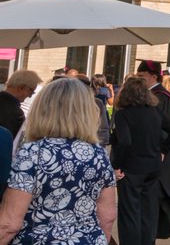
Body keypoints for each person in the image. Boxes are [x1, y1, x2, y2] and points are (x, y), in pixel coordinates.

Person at [0, 77, 117, 244]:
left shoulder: (33, 153)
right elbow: (107, 217)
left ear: (42, 110)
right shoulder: (99, 154)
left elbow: (9, 223)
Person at [111, 76, 170, 245]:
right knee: (148, 211)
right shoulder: (155, 111)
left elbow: (125, 142)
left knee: (129, 213)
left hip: (131, 169)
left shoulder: (123, 114)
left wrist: (117, 165)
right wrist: (163, 149)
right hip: (153, 167)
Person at [136, 59, 170, 240]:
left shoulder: (162, 97)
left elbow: (169, 130)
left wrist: (160, 150)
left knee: (154, 200)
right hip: (150, 154)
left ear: (153, 76)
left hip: (161, 156)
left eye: (142, 76)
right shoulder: (148, 94)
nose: (138, 79)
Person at [0, 70, 38, 138]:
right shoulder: (16, 114)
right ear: (21, 88)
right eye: (31, 91)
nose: (30, 96)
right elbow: (13, 143)